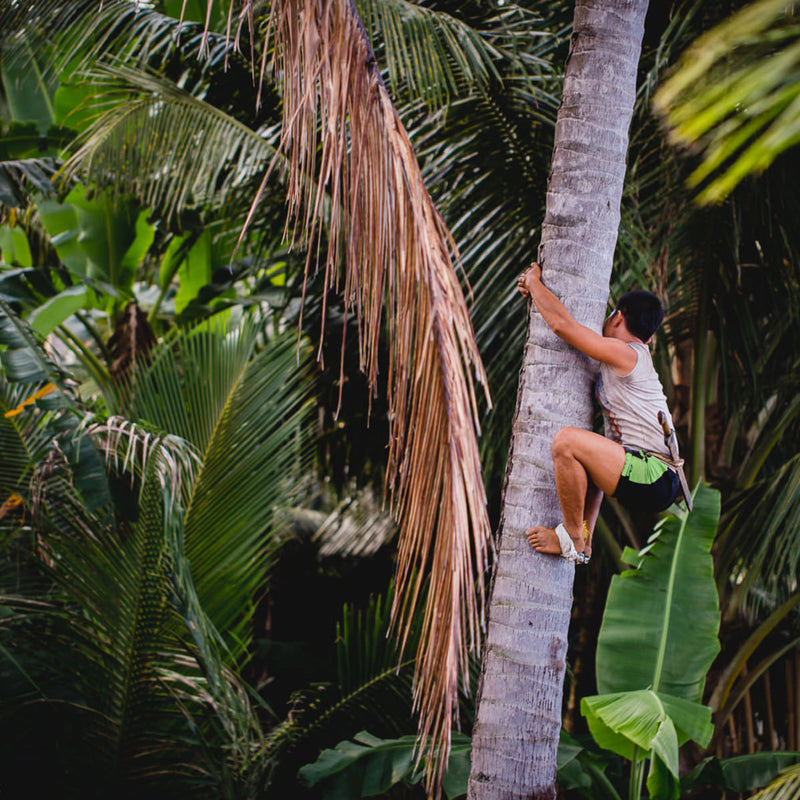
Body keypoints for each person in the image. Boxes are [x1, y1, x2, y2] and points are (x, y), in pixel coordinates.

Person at [516, 262, 681, 565]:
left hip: (652, 474)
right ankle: (585, 539)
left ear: (618, 316)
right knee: (591, 460)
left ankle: (570, 535)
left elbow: (563, 327)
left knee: (567, 442)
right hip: (652, 479)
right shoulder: (631, 358)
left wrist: (534, 283)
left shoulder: (627, 353)